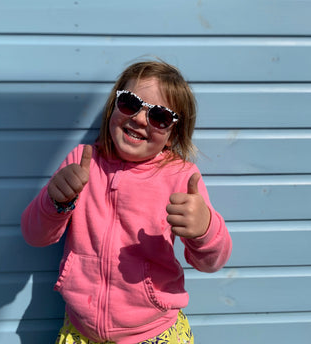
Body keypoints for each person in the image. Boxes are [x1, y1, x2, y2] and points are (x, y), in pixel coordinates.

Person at [21, 60, 232, 344]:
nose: (141, 119)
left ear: (172, 135)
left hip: (153, 333)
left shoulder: (181, 177)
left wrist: (205, 229)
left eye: (160, 117)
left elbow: (211, 262)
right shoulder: (82, 162)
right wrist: (54, 201)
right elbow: (35, 236)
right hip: (81, 331)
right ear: (114, 107)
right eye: (131, 103)